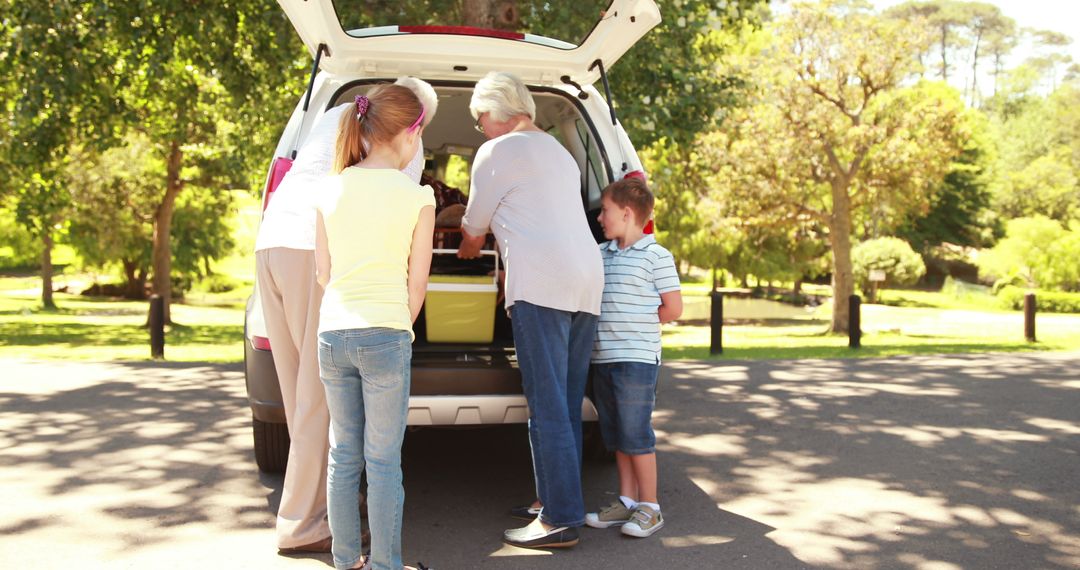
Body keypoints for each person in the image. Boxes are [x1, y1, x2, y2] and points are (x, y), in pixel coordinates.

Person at [252, 77, 437, 556]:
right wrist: (396, 321)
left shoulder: (342, 121)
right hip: (319, 265)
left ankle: (327, 528)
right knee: (323, 411)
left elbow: (329, 259)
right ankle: (304, 525)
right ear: (413, 126)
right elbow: (396, 239)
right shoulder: (406, 158)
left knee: (301, 397)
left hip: (272, 244)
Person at [458, 71, 604, 549]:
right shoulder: (559, 153)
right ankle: (556, 500)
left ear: (498, 112)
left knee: (546, 407)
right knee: (564, 402)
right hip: (586, 282)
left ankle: (559, 519)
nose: (481, 130)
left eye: (481, 121)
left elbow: (475, 227)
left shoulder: (498, 151)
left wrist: (463, 246)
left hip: (542, 284)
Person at [314, 84, 435, 570]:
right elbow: (418, 280)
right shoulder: (417, 195)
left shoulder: (331, 188)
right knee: (383, 462)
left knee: (343, 456)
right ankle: (384, 565)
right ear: (411, 133)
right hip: (385, 331)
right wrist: (397, 328)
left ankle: (347, 562)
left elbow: (323, 274)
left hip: (332, 333)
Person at [584, 177, 682, 538]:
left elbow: (673, 308)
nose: (599, 218)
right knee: (616, 435)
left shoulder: (657, 256)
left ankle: (650, 507)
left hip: (637, 360)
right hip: (603, 359)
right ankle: (626, 501)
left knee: (636, 434)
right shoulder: (601, 254)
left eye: (604, 211)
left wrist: (636, 320)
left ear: (626, 214)